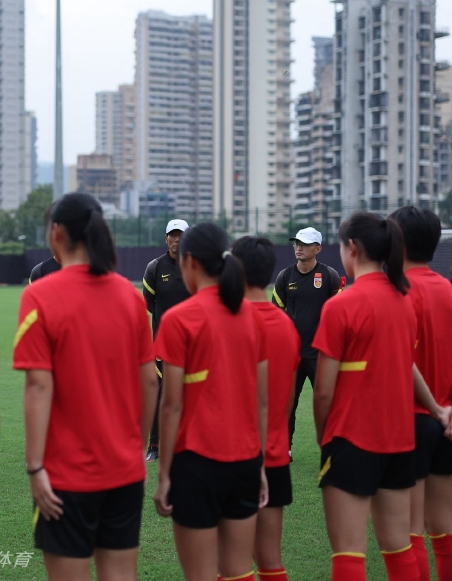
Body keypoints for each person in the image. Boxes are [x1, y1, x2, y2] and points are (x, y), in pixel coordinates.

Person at [14, 192, 158, 581]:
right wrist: (135, 450)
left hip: (65, 476)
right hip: (124, 470)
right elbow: (149, 381)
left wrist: (34, 467)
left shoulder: (39, 296)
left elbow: (38, 388)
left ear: (57, 233)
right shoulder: (129, 297)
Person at [312, 212, 448, 581]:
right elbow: (406, 363)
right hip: (401, 438)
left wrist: (325, 436)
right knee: (402, 546)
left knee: (349, 553)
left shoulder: (342, 304)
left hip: (355, 437)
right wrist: (438, 409)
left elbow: (323, 391)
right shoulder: (404, 299)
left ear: (352, 248)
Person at [153, 222, 268, 581]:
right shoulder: (252, 316)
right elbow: (262, 402)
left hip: (196, 464)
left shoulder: (178, 319)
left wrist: (164, 475)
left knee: (200, 574)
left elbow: (171, 406)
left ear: (189, 262)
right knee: (239, 572)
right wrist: (260, 466)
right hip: (245, 460)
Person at [388, 206, 452, 581]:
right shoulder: (448, 290)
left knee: (408, 531)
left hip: (408, 422)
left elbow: (398, 364)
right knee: (443, 528)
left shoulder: (398, 294)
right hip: (446, 421)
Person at [232, 236, 301, 581]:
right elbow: (288, 398)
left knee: (231, 561)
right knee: (270, 560)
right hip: (274, 453)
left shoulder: (230, 322)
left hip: (234, 455)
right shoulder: (287, 326)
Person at [272, 227, 342, 457]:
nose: (299, 247)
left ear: (318, 249)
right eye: (296, 243)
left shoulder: (329, 276)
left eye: (304, 244)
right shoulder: (284, 276)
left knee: (328, 403)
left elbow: (338, 315)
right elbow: (276, 314)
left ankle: (332, 449)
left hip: (320, 354)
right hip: (292, 355)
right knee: (287, 404)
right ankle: (285, 448)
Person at [142, 218, 191, 462]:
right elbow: (149, 302)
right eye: (172, 235)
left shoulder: (197, 266)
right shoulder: (155, 267)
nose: (176, 239)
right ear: (166, 238)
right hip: (162, 346)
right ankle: (154, 445)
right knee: (159, 395)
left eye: (181, 235)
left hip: (193, 345)